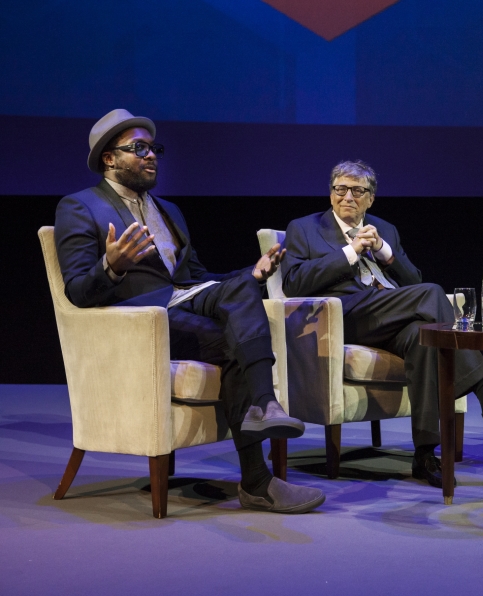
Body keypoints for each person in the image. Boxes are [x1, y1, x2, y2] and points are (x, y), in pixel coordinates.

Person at [54, 109, 325, 514]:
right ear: (109, 158)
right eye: (138, 148)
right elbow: (76, 292)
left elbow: (197, 278)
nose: (151, 156)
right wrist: (111, 265)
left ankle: (263, 414)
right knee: (230, 337)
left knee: (242, 292)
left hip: (186, 300)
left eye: (154, 148)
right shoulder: (80, 207)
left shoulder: (170, 211)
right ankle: (257, 475)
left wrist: (248, 274)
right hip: (141, 321)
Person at [280, 160, 483, 488]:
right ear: (331, 193)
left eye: (357, 191)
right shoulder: (303, 228)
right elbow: (292, 283)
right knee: (433, 295)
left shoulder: (384, 229)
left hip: (388, 316)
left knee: (425, 339)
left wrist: (384, 251)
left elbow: (411, 281)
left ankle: (424, 453)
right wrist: (350, 252)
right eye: (340, 189)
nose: (347, 196)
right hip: (342, 319)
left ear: (370, 198)